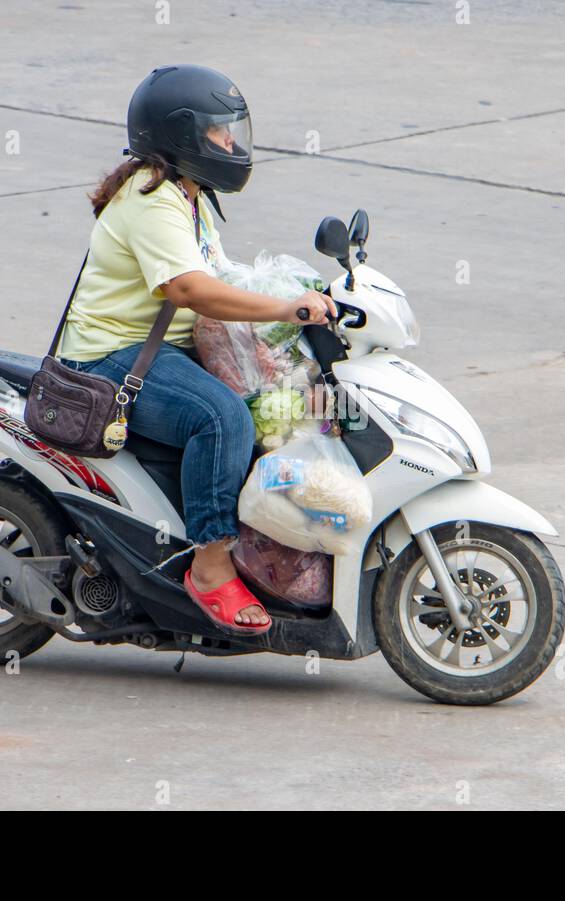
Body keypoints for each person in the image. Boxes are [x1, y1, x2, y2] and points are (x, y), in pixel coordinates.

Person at [58, 64, 336, 636]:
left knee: (281, 405)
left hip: (160, 350)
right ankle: (210, 567)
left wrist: (296, 291)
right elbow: (187, 287)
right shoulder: (151, 198)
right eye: (218, 132)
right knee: (223, 416)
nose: (231, 144)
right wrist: (285, 310)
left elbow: (220, 271)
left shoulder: (190, 193)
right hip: (113, 357)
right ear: (181, 135)